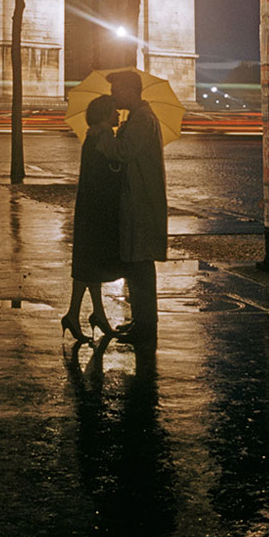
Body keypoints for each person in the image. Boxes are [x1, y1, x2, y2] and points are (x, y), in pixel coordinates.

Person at [97, 70, 167, 349]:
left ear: (129, 90)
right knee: (137, 263)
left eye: (116, 90)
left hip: (141, 199)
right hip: (136, 197)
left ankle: (146, 326)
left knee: (140, 264)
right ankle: (141, 320)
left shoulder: (142, 119)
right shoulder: (137, 118)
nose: (113, 96)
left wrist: (103, 136)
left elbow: (124, 152)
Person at [61, 94, 124, 343]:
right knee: (91, 262)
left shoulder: (92, 136)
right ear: (104, 115)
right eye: (114, 111)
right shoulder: (104, 138)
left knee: (89, 262)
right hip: (99, 208)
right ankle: (77, 314)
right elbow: (116, 165)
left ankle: (91, 313)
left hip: (89, 206)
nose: (118, 115)